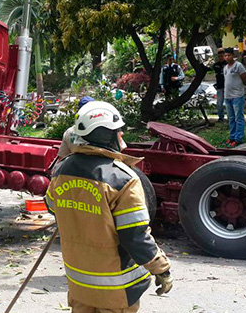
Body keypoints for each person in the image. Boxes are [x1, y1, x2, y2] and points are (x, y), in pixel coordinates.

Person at [45, 101, 172, 313]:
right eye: (118, 131)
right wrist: (161, 269)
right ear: (106, 135)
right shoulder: (123, 179)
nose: (122, 135)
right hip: (116, 292)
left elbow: (51, 206)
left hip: (79, 288)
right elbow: (135, 236)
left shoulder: (62, 169)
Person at [223, 48, 246, 147]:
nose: (226, 57)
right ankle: (232, 137)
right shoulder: (225, 68)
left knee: (239, 118)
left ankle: (238, 139)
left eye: (228, 55)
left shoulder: (238, 66)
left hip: (237, 96)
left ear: (233, 56)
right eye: (225, 56)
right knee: (231, 118)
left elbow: (245, 79)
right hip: (227, 96)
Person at [213, 48, 228, 122]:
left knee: (228, 102)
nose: (220, 58)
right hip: (219, 86)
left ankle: (230, 116)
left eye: (222, 56)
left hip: (227, 86)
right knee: (219, 103)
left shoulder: (227, 64)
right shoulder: (216, 65)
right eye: (219, 56)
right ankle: (221, 117)